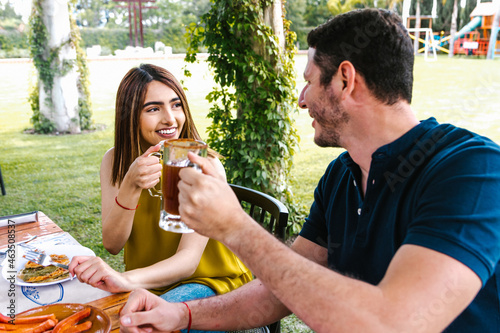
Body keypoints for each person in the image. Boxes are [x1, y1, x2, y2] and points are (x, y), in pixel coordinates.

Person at [118, 9, 500, 333]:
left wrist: (235, 227)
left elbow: (397, 322)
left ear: (345, 80)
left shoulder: (472, 170)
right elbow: (279, 288)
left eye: (309, 83)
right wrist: (181, 313)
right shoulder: (340, 176)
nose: (301, 100)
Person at [68, 64, 252, 324]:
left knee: (137, 323)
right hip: (149, 283)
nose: (170, 118)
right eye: (153, 109)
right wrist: (130, 186)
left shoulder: (201, 164)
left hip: (211, 282)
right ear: (129, 115)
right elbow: (112, 243)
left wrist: (125, 279)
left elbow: (188, 261)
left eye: (176, 105)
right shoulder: (114, 161)